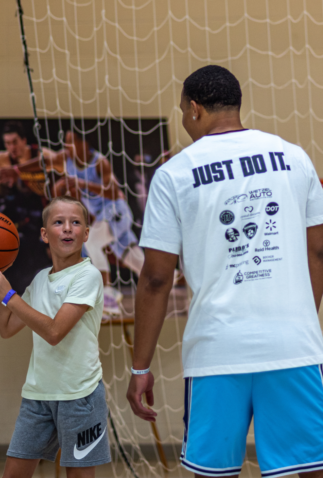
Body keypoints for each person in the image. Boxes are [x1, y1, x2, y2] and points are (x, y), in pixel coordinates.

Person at [127, 65, 323, 478]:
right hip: (294, 346)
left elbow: (157, 278)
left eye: (183, 112)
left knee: (213, 474)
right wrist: (302, 316)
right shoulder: (295, 157)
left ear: (195, 109)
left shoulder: (174, 173)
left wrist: (140, 368)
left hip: (217, 351)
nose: (184, 121)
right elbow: (318, 252)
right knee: (311, 469)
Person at [0, 196, 111, 477]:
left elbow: (53, 332)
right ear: (44, 234)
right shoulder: (39, 279)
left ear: (86, 233)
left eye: (76, 223)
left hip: (81, 395)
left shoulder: (88, 276)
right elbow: (7, 327)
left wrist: (9, 295)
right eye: (58, 222)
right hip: (38, 395)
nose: (67, 228)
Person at [53, 128, 144, 315]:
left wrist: (82, 184)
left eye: (70, 142)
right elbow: (44, 159)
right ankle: (162, 278)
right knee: (129, 253)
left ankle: (108, 296)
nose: (66, 146)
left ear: (83, 143)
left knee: (91, 241)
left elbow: (113, 191)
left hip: (116, 211)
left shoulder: (99, 162)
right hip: (103, 217)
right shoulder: (66, 159)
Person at [0, 121, 62, 295]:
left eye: (15, 142)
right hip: (18, 216)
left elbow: (59, 161)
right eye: (8, 143)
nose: (12, 147)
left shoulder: (39, 154)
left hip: (41, 213)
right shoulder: (1, 159)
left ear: (24, 140)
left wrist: (18, 171)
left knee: (44, 263)